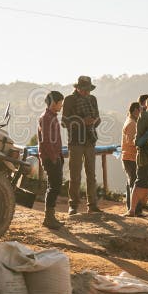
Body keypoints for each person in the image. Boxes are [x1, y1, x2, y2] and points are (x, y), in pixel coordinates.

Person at [62, 76, 102, 215]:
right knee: (75, 175)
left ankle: (92, 204)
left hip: (90, 140)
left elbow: (98, 118)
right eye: (84, 90)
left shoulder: (92, 100)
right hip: (75, 142)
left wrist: (93, 121)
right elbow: (64, 121)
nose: (87, 92)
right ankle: (73, 205)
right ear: (77, 88)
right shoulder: (69, 100)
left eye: (88, 90)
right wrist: (81, 121)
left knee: (91, 175)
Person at [38, 91, 66, 228]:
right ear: (54, 103)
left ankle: (50, 217)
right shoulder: (46, 118)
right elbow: (46, 141)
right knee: (53, 186)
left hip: (55, 157)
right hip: (50, 158)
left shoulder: (51, 117)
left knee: (55, 186)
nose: (61, 106)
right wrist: (54, 158)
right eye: (60, 103)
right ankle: (48, 218)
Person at [120, 102, 141, 214]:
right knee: (134, 183)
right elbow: (131, 140)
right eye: (140, 109)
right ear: (135, 110)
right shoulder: (132, 123)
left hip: (129, 156)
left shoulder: (131, 121)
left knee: (131, 182)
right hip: (130, 157)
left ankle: (133, 208)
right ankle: (134, 209)